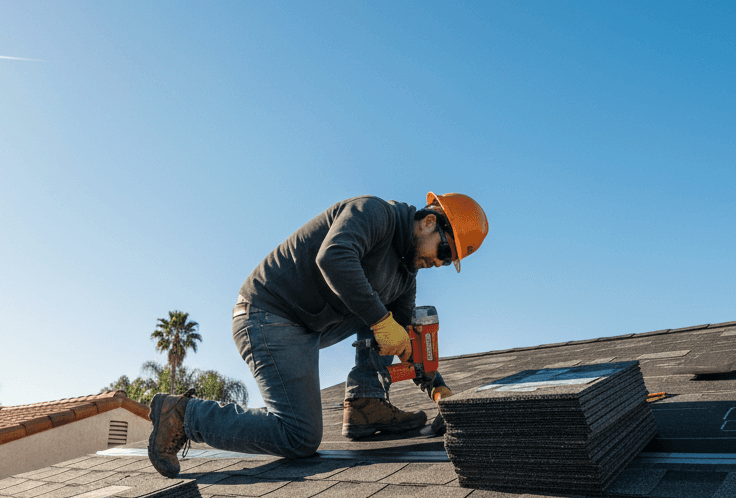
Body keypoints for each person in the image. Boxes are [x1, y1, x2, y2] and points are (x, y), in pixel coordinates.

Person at [147, 191, 489, 478]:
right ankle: (184, 415)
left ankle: (365, 403)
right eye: (445, 252)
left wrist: (438, 390)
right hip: (268, 313)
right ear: (429, 221)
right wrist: (382, 322)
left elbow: (405, 342)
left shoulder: (404, 277)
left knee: (391, 323)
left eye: (450, 262)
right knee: (299, 437)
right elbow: (334, 258)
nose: (441, 263)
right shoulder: (374, 213)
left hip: (305, 327)